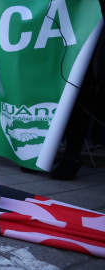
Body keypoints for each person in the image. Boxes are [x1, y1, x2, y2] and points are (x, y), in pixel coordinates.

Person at [50, 0, 104, 180]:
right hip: (57, 28)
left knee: (80, 92)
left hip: (88, 26)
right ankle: (44, 152)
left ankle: (72, 155)